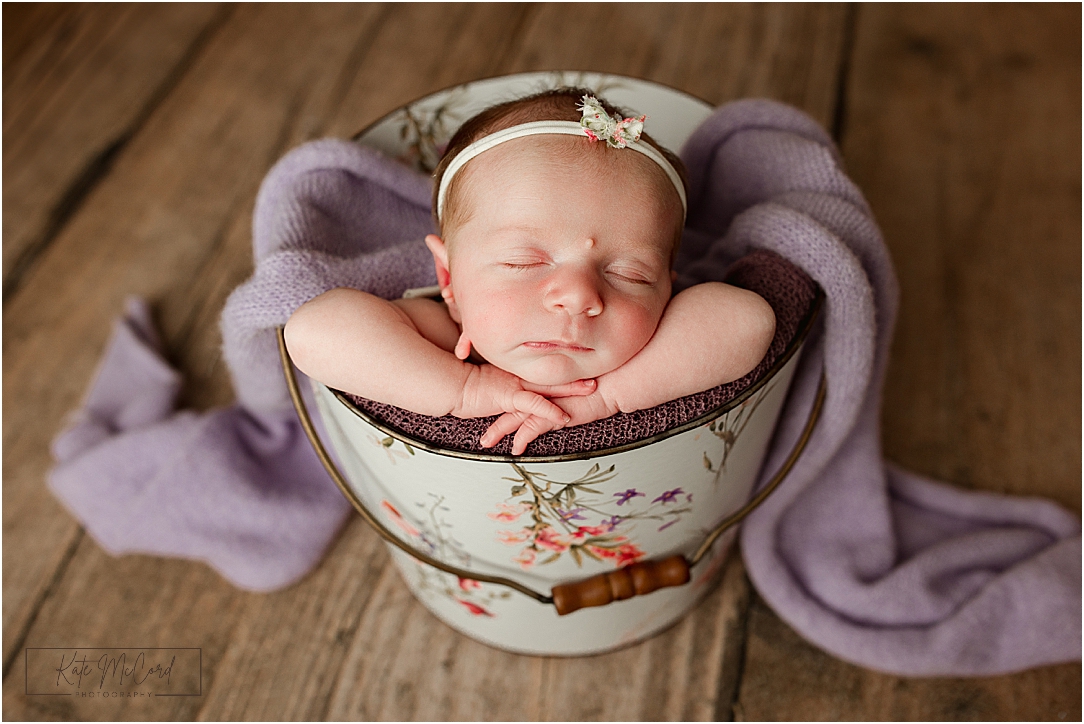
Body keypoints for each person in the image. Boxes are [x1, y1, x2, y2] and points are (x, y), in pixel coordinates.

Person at [285, 89, 775, 454]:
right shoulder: (443, 336)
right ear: (449, 280)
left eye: (631, 274)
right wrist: (465, 389)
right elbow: (313, 332)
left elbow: (747, 321)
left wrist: (608, 398)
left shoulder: (658, 345)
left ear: (668, 286)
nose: (578, 296)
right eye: (524, 262)